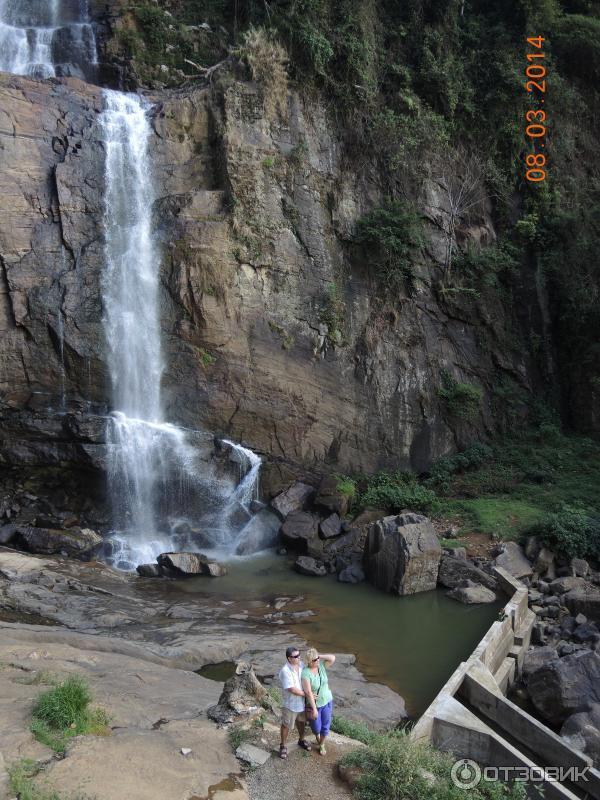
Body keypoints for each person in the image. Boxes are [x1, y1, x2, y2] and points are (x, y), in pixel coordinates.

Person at [278, 645, 312, 759]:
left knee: (301, 722)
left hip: (301, 703)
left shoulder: (301, 665)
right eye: (296, 656)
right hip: (290, 704)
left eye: (299, 655)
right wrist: (308, 694)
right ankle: (282, 746)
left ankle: (301, 740)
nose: (299, 657)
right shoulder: (285, 671)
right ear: (289, 658)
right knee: (286, 725)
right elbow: (291, 689)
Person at [301, 648, 336, 755]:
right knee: (316, 728)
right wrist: (315, 709)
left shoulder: (321, 666)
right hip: (314, 705)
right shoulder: (305, 673)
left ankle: (321, 744)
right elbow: (308, 692)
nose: (317, 661)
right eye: (314, 660)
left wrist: (319, 656)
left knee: (325, 726)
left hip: (327, 700)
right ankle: (317, 737)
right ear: (309, 662)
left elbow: (333, 658)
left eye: (317, 659)